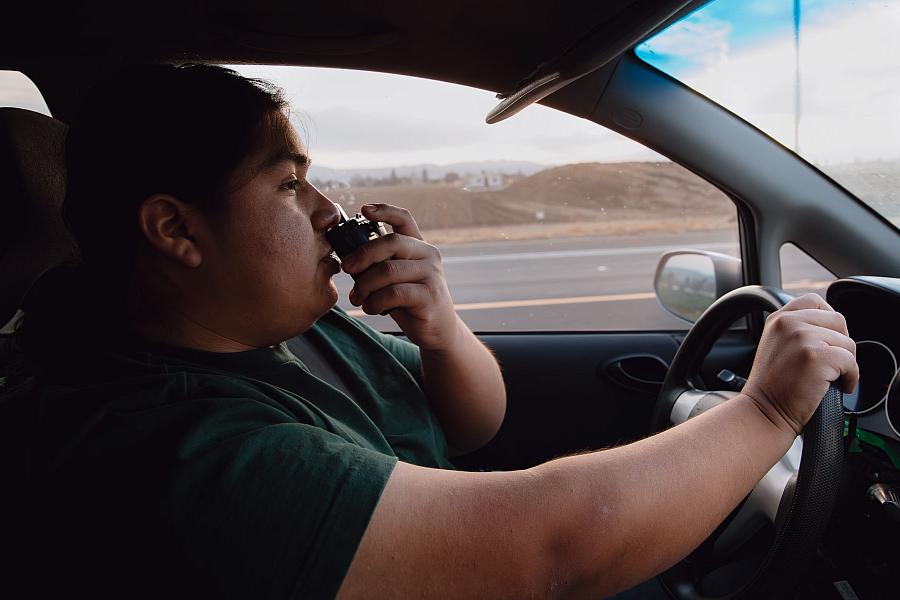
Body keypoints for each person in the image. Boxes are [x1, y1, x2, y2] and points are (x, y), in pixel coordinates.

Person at [17, 64, 858, 599]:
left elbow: (473, 424)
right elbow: (549, 554)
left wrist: (441, 327)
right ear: (175, 230)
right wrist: (767, 414)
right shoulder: (171, 446)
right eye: (286, 186)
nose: (327, 212)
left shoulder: (289, 334)